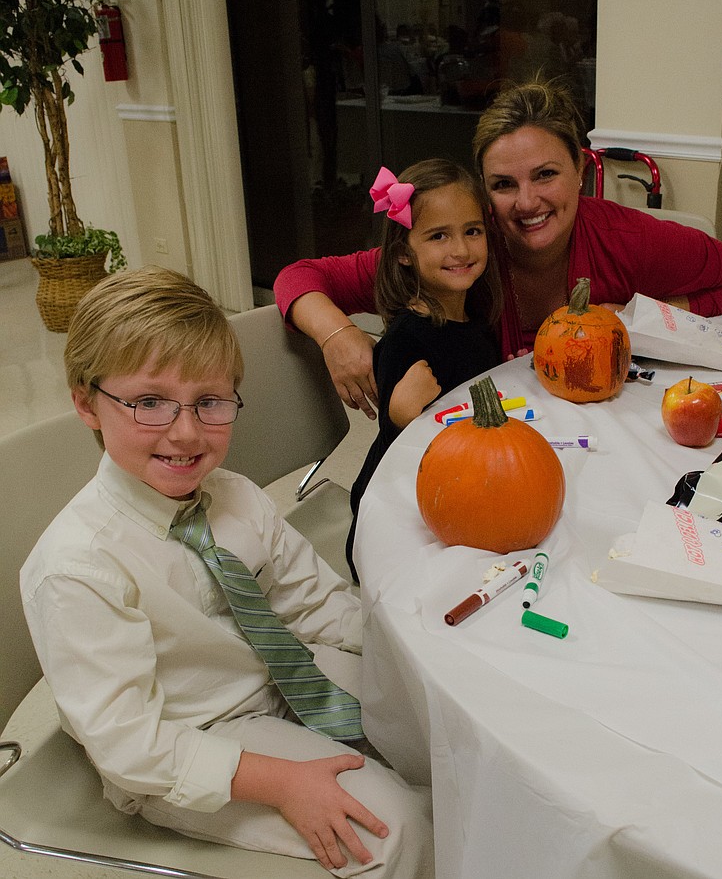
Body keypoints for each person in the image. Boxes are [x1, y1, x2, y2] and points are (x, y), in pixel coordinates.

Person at [20, 267, 434, 878]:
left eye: (209, 402)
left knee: (444, 746)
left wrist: (414, 651)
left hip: (276, 683)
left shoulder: (235, 496)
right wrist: (283, 782)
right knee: (391, 831)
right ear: (87, 403)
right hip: (187, 743)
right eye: (149, 403)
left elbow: (317, 606)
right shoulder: (78, 567)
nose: (185, 433)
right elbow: (129, 744)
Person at [274, 78, 722, 419]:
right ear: (484, 192)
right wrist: (337, 336)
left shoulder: (627, 239)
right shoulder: (460, 255)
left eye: (545, 174)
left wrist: (646, 314)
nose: (527, 202)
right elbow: (299, 277)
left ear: (581, 171)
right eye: (504, 184)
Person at [345, 160, 502, 578]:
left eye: (472, 230)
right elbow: (398, 444)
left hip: (459, 485)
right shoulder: (405, 340)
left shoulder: (479, 317)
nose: (462, 250)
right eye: (438, 236)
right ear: (404, 255)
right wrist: (402, 414)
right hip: (397, 515)